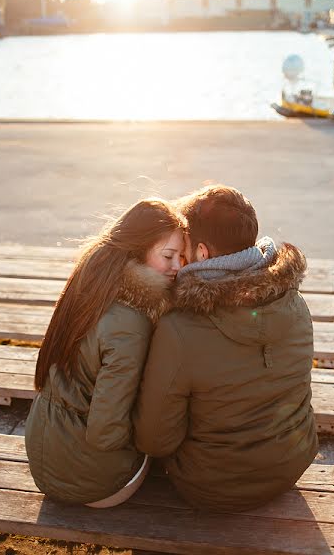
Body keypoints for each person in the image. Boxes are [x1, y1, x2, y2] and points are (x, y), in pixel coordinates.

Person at [133, 185, 318, 512]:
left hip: (209, 485)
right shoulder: (296, 305)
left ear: (202, 254)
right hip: (291, 465)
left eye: (185, 250)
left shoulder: (180, 328)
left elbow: (154, 440)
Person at [24, 198, 186, 507]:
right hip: (93, 482)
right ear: (137, 250)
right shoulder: (131, 324)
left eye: (182, 256)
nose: (177, 266)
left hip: (44, 457)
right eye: (168, 255)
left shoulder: (89, 284)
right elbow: (105, 433)